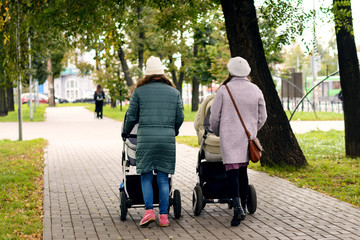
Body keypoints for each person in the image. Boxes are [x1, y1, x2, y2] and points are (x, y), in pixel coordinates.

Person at [122, 56, 184, 227]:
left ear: (147, 74)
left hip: (146, 139)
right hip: (166, 139)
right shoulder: (174, 92)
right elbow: (180, 117)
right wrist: (174, 130)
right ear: (162, 74)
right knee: (163, 178)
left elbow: (132, 116)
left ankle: (149, 212)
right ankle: (163, 216)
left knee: (146, 176)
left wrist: (126, 132)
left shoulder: (139, 92)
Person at [210, 56, 267, 227]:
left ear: (230, 71)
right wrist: (252, 128)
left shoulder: (224, 90)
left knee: (232, 173)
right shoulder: (255, 89)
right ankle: (242, 202)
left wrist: (218, 131)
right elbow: (262, 116)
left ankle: (237, 208)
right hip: (247, 138)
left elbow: (214, 117)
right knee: (243, 172)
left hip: (228, 138)